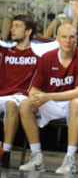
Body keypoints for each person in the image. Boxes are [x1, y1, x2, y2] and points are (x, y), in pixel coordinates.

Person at [19, 23, 78, 173]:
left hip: (77, 102)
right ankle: (36, 157)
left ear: (76, 40)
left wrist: (47, 96)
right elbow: (34, 88)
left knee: (76, 103)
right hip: (53, 101)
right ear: (57, 39)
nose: (68, 40)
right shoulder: (47, 57)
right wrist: (35, 95)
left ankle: (70, 159)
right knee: (26, 104)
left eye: (71, 37)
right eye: (64, 37)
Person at [0, 16, 58, 168]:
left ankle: (5, 153)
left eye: (17, 26)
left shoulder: (39, 50)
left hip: (22, 97)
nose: (12, 30)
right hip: (2, 95)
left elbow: (63, 41)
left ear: (28, 31)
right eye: (12, 26)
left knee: (11, 104)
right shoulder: (5, 49)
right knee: (8, 102)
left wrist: (76, 17)